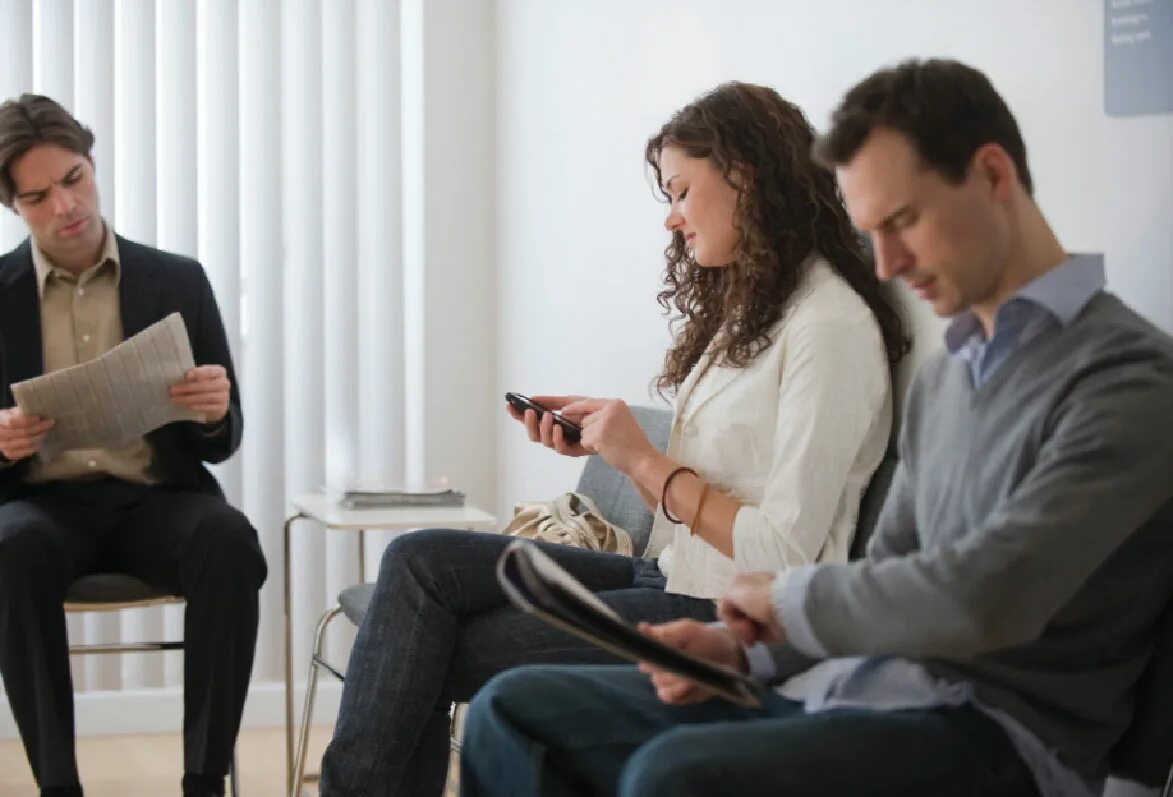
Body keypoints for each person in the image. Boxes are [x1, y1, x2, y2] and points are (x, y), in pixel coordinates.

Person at [459, 58, 1173, 797]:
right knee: (510, 712)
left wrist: (784, 604)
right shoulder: (948, 377)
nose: (888, 265)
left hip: (992, 735)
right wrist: (739, 650)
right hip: (853, 691)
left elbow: (985, 593)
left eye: (901, 222)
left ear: (992, 175)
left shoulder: (1127, 380)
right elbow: (882, 569)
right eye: (874, 232)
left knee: (674, 778)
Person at [319, 81, 907, 796]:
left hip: (721, 613)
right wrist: (612, 446)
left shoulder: (829, 328)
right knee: (417, 561)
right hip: (669, 573)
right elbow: (707, 485)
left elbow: (781, 551)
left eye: (681, 191)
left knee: (427, 647)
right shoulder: (756, 311)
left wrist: (644, 460)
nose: (671, 219)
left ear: (744, 175)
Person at [0, 94, 266, 797]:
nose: (65, 205)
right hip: (42, 506)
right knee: (9, 546)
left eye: (74, 178)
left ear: (92, 165)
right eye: (38, 194)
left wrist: (213, 411)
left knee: (228, 540)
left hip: (157, 500)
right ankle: (59, 785)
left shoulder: (177, 279)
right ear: (13, 206)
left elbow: (224, 437)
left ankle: (204, 778)